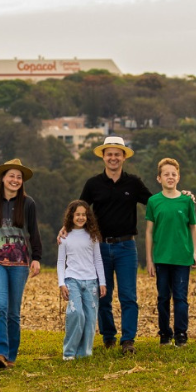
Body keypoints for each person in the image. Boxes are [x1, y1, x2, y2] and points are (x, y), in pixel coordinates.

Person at [78, 136, 152, 354]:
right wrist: (67, 229)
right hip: (99, 247)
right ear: (103, 157)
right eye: (109, 154)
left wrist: (179, 196)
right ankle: (108, 337)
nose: (113, 158)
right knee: (103, 295)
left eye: (117, 154)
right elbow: (80, 209)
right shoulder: (93, 184)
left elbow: (155, 202)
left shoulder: (134, 183)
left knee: (128, 296)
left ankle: (128, 340)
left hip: (126, 247)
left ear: (124, 157)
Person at [0, 158, 42, 369]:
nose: (15, 180)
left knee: (13, 312)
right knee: (0, 306)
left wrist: (37, 258)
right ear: (2, 178)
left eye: (19, 177)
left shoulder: (28, 204)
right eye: (11, 176)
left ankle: (10, 355)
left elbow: (34, 232)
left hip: (20, 263)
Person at [145, 158, 196, 346]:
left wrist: (194, 252)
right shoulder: (153, 201)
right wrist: (149, 259)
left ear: (178, 177)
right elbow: (149, 231)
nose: (170, 177)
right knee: (163, 298)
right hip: (161, 257)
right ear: (159, 178)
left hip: (182, 258)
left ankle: (181, 333)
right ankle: (165, 333)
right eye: (166, 174)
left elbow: (193, 227)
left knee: (181, 297)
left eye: (173, 174)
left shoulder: (187, 201)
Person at [57, 200, 106, 360]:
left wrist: (102, 282)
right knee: (76, 314)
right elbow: (60, 262)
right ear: (71, 216)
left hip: (91, 281)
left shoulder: (93, 236)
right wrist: (61, 283)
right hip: (72, 280)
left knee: (90, 318)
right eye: (77, 214)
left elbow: (98, 260)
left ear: (88, 216)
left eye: (84, 214)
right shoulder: (64, 237)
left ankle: (84, 353)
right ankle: (69, 352)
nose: (80, 217)